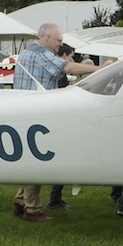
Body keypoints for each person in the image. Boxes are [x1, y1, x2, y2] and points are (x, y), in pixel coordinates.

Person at [12, 24, 100, 222]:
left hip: (24, 112)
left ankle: (20, 201)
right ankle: (32, 210)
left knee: (31, 161)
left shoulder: (28, 52)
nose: (60, 45)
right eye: (58, 40)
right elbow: (68, 67)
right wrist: (101, 69)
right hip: (35, 114)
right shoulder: (41, 53)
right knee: (37, 163)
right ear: (46, 38)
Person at [47, 43, 76, 211]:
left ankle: (55, 198)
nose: (72, 59)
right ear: (64, 56)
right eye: (71, 56)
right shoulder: (60, 74)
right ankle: (54, 199)